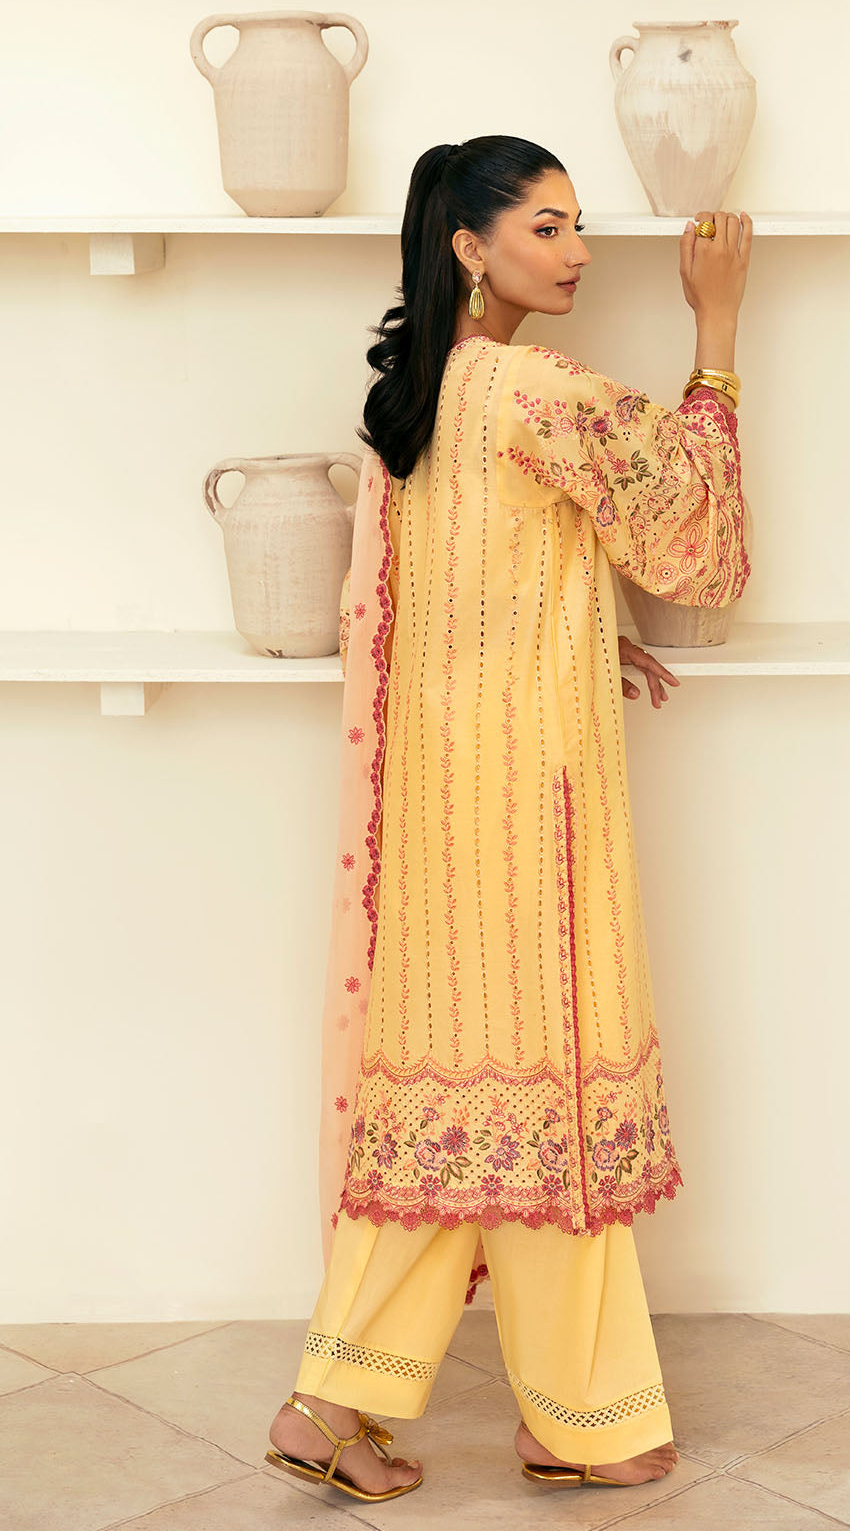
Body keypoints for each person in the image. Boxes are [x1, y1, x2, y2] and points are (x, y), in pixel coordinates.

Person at [265, 135, 752, 1503]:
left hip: (442, 802)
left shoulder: (430, 396)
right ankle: (586, 1421)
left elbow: (476, 587)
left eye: (580, 223)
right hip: (529, 803)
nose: (578, 250)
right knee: (550, 1094)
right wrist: (719, 329)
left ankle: (334, 1400)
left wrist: (586, 633)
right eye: (546, 226)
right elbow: (692, 534)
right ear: (470, 248)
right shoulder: (541, 389)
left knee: (465, 1108)